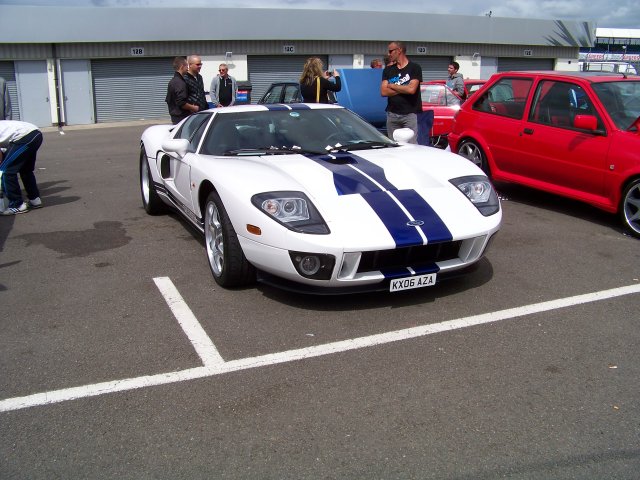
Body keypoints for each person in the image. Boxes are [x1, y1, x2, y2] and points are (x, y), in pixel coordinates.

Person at [380, 41, 423, 143]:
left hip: (409, 114)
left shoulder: (414, 68)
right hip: (392, 114)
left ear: (399, 50)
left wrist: (393, 85)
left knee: (411, 145)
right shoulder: (388, 70)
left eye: (391, 51)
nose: (388, 54)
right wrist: (405, 88)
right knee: (393, 145)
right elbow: (383, 92)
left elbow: (411, 90)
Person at [0, 120, 43, 215]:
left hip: (25, 137)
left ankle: (17, 205)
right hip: (35, 133)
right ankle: (35, 199)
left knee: (6, 170)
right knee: (25, 170)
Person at [166, 57, 199, 124]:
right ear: (182, 67)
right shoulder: (180, 82)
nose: (188, 68)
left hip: (176, 117)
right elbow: (181, 102)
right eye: (187, 66)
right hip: (181, 118)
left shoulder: (172, 81)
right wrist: (193, 108)